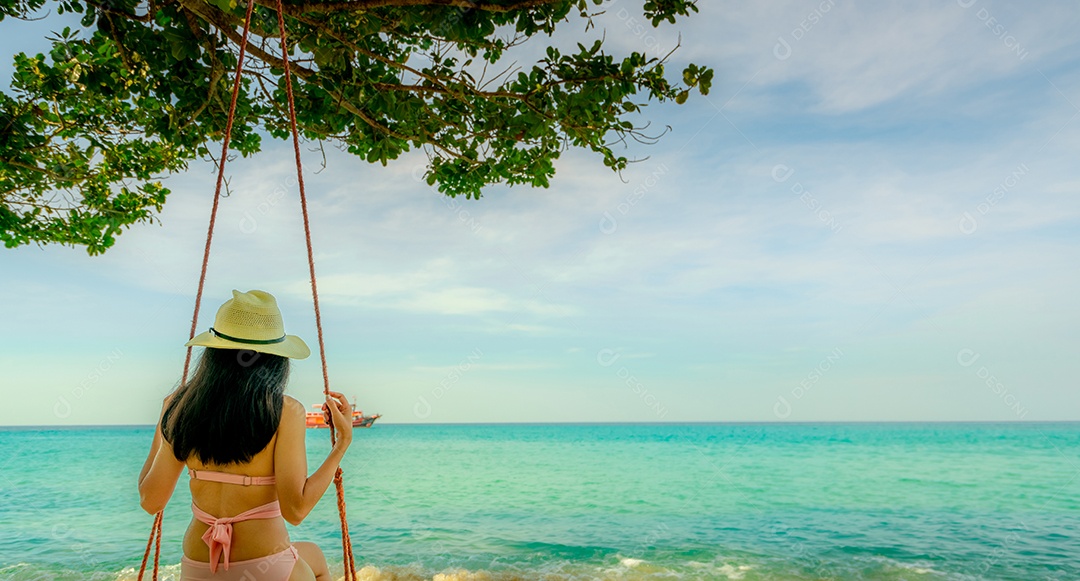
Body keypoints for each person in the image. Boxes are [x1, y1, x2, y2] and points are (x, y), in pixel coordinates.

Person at [137, 289, 354, 581]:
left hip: (199, 569)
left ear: (213, 352)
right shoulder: (284, 411)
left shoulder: (178, 404)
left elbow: (151, 501)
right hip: (266, 566)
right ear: (275, 359)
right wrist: (342, 444)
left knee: (311, 552)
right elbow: (296, 510)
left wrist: (168, 421)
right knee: (312, 562)